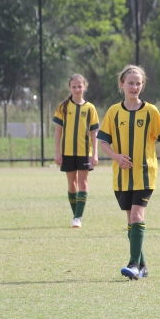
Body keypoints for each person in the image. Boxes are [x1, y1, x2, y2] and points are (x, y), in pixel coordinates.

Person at [97, 65, 160, 280]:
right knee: (131, 220)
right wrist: (116, 157)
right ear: (122, 84)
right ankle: (143, 266)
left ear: (143, 85)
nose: (134, 87)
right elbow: (103, 142)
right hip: (122, 177)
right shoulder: (113, 112)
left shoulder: (151, 111)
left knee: (137, 215)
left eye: (138, 83)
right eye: (130, 83)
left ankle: (133, 264)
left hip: (145, 174)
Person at [53, 74, 99, 228]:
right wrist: (57, 152)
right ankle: (76, 215)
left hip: (85, 151)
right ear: (69, 88)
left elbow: (94, 132)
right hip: (67, 152)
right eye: (74, 87)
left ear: (84, 87)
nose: (77, 89)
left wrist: (96, 153)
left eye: (80, 86)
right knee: (72, 184)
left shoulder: (90, 108)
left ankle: (78, 217)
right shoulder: (63, 107)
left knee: (83, 183)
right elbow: (58, 131)